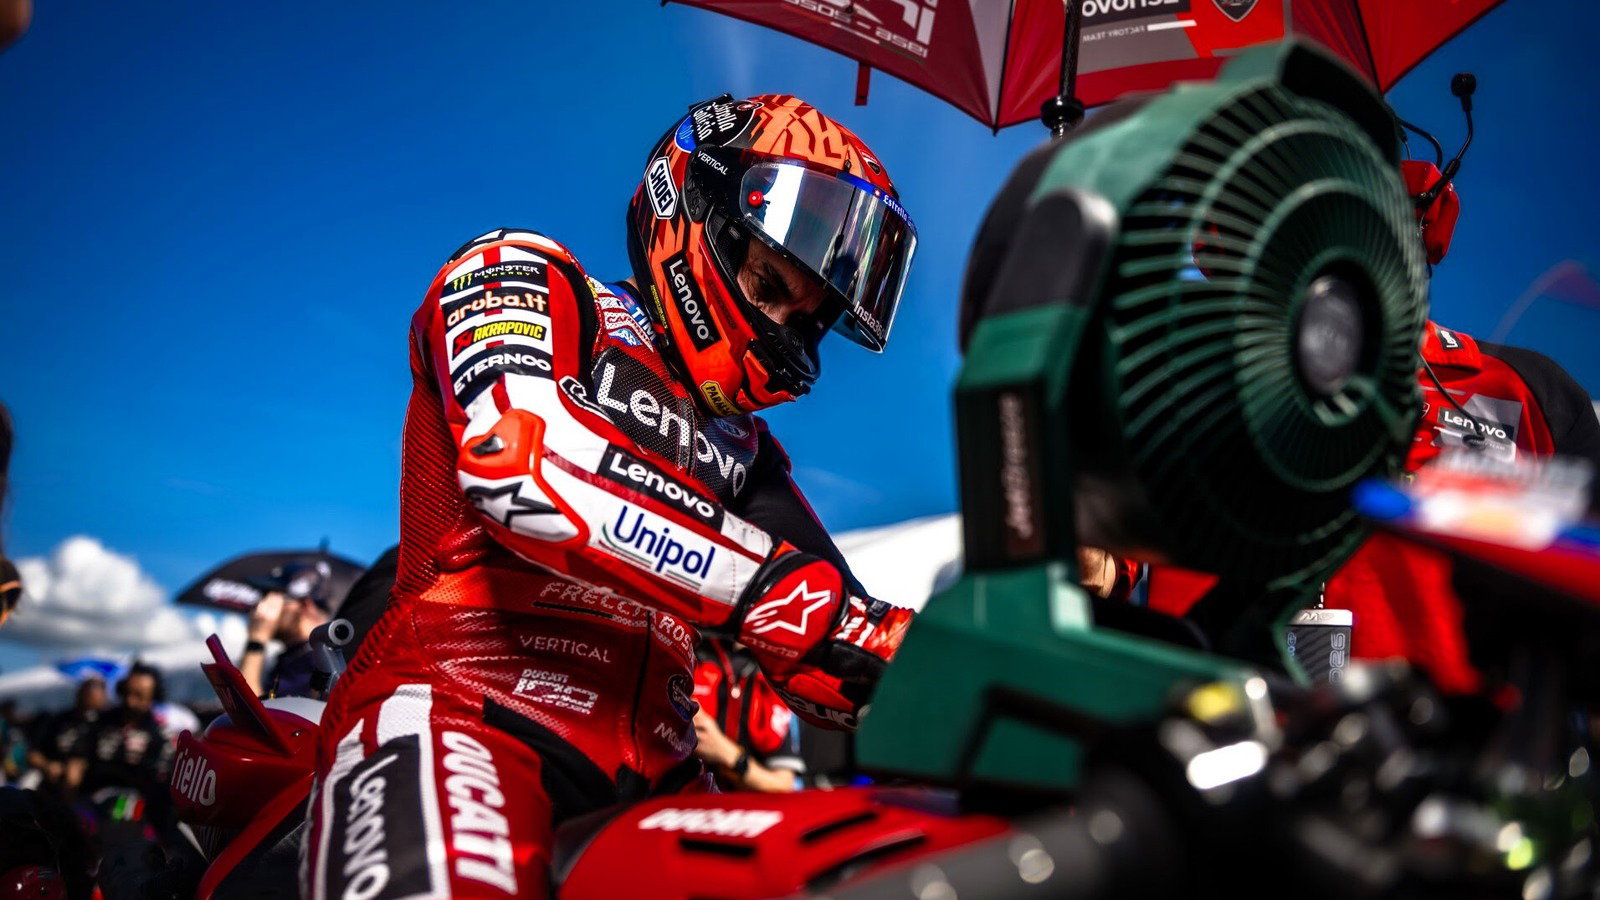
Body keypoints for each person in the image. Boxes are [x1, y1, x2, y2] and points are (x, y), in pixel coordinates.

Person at [303, 94, 917, 897]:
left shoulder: (748, 451)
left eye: (810, 317)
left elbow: (836, 653)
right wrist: (786, 603)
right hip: (460, 710)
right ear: (693, 205)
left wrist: (1000, 655)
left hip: (662, 774)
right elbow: (523, 470)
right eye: (771, 281)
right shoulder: (523, 274)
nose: (786, 327)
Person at [691, 639, 805, 792]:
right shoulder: (686, 648)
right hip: (676, 803)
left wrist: (727, 754)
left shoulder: (775, 673)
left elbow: (784, 785)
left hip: (742, 808)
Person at [65, 663, 168, 801]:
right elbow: (76, 762)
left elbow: (161, 778)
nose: (130, 701)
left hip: (138, 805)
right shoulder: (98, 723)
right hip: (93, 801)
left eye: (139, 696)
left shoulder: (160, 733)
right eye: (127, 692)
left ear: (152, 697)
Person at [238, 560, 334, 697]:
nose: (258, 607)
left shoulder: (317, 662)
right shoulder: (293, 657)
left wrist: (256, 641)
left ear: (305, 605)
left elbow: (251, 714)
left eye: (268, 596)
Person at [24, 677, 107, 793]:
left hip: (90, 787)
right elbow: (33, 754)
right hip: (50, 781)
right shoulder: (57, 721)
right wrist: (48, 766)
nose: (89, 697)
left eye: (96, 692)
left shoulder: (106, 724)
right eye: (86, 691)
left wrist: (79, 767)